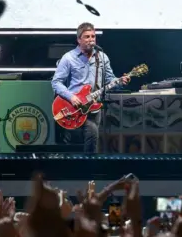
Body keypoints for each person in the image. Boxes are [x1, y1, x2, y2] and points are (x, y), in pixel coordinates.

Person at [51, 22, 129, 153]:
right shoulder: (69, 58)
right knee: (75, 143)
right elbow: (56, 82)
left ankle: (89, 164)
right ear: (79, 39)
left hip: (93, 107)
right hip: (73, 108)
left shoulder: (102, 57)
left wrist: (121, 81)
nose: (91, 39)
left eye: (93, 36)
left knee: (92, 139)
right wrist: (71, 97)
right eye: (87, 37)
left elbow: (110, 79)